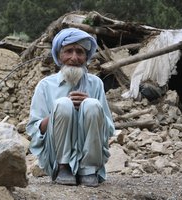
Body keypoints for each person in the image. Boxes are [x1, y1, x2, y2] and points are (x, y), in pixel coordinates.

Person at [26, 28, 115, 187]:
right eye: (68, 51)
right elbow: (34, 129)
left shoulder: (96, 83)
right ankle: (63, 166)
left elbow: (108, 128)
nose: (74, 57)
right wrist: (56, 113)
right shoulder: (45, 86)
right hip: (55, 153)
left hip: (91, 156)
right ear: (59, 56)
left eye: (80, 52)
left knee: (93, 104)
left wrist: (91, 107)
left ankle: (89, 169)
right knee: (62, 104)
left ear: (86, 57)